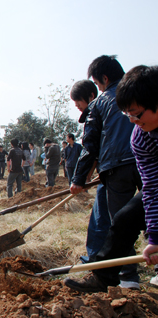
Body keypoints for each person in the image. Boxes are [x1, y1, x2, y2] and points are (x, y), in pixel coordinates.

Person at [64, 65, 158, 292]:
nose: (133, 121)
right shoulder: (140, 138)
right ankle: (103, 278)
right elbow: (153, 188)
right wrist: (154, 238)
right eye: (128, 115)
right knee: (124, 218)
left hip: (117, 168)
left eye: (136, 113)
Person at [70, 79, 109, 262]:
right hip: (111, 168)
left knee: (100, 220)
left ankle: (96, 262)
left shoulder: (97, 110)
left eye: (78, 102)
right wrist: (88, 174)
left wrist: (78, 180)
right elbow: (97, 149)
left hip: (113, 172)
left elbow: (90, 147)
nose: (77, 106)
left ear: (91, 96)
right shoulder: (113, 107)